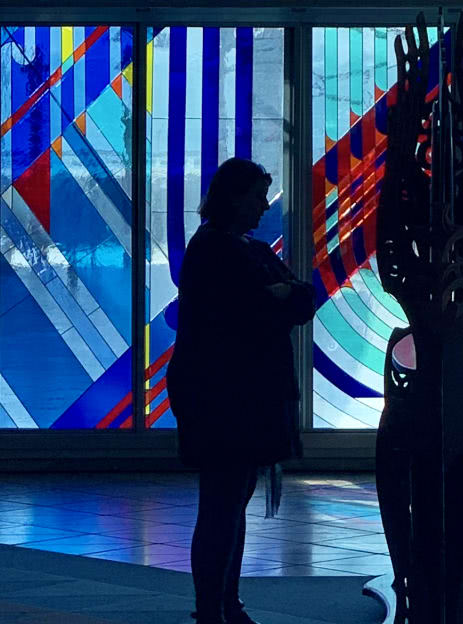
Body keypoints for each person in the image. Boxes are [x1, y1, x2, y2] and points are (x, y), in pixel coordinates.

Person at [167, 158, 315, 624]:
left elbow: (298, 299)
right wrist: (277, 295)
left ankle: (221, 604)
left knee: (230, 500)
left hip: (234, 391)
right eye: (255, 197)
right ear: (233, 197)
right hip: (224, 395)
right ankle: (215, 607)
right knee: (223, 502)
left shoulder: (234, 249)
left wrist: (277, 296)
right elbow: (268, 304)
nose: (262, 207)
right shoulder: (222, 251)